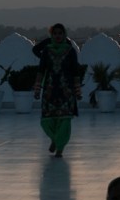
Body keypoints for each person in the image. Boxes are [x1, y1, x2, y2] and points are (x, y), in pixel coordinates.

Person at [31, 23, 82, 157]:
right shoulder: (47, 51)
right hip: (50, 89)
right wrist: (37, 89)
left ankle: (60, 148)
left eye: (60, 33)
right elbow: (41, 71)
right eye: (55, 33)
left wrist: (77, 91)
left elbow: (75, 71)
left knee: (64, 120)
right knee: (47, 120)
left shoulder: (70, 50)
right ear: (51, 35)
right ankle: (55, 139)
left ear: (64, 35)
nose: (58, 36)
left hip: (66, 90)